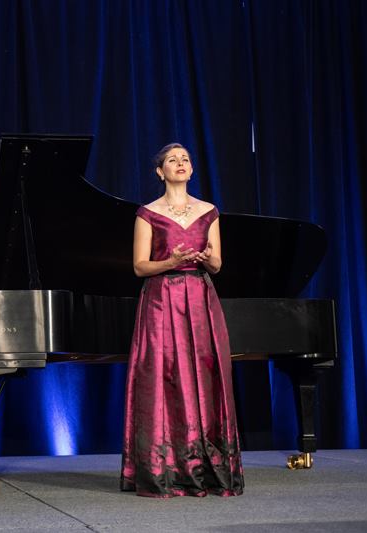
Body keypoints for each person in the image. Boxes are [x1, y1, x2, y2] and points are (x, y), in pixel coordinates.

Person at [120, 143, 244, 497]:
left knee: (205, 376)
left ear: (191, 169)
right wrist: (170, 262)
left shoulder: (209, 212)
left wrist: (206, 258)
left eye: (185, 159)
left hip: (201, 298)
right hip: (161, 300)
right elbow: (139, 266)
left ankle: (207, 466)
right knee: (163, 377)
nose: (180, 163)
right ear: (160, 171)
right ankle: (165, 469)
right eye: (172, 160)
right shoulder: (147, 213)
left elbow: (218, 265)